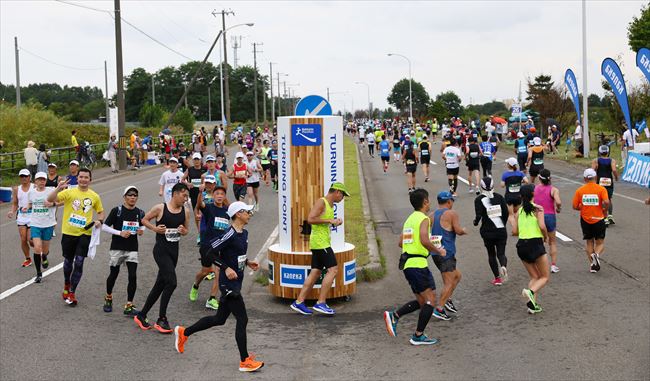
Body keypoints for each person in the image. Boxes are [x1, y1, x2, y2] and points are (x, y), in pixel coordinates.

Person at [173, 201, 264, 372]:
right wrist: (226, 268)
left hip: (237, 281)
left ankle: (184, 333)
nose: (250, 214)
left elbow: (236, 254)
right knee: (242, 319)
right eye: (247, 212)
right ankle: (244, 361)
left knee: (219, 319)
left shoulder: (243, 233)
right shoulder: (228, 234)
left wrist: (248, 261)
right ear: (238, 214)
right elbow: (209, 252)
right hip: (228, 284)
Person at [383, 188, 445, 345]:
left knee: (423, 302)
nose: (429, 202)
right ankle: (418, 335)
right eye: (428, 200)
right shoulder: (423, 219)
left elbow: (400, 242)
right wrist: (438, 250)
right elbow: (424, 239)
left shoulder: (409, 219)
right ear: (425, 202)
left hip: (408, 265)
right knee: (430, 300)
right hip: (418, 265)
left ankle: (395, 316)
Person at [135, 183, 190, 333]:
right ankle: (162, 319)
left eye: (187, 196)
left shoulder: (185, 211)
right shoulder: (160, 208)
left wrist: (183, 230)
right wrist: (155, 229)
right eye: (184, 195)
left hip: (174, 251)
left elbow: (186, 230)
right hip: (161, 250)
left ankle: (141, 315)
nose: (186, 199)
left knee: (160, 284)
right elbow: (144, 220)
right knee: (171, 282)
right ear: (175, 193)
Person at [290, 183, 350, 316]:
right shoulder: (321, 202)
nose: (342, 198)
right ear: (337, 192)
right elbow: (310, 219)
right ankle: (321, 303)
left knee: (316, 272)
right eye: (343, 195)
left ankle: (299, 302)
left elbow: (321, 220)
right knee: (333, 270)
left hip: (319, 242)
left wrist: (333, 221)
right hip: (320, 243)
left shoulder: (330, 204)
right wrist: (330, 221)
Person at [47, 168, 104, 306]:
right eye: (81, 177)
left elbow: (101, 212)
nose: (83, 179)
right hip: (68, 233)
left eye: (86, 177)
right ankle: (67, 283)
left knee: (79, 262)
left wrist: (99, 221)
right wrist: (58, 188)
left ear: (90, 180)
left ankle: (72, 292)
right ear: (77, 179)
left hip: (85, 233)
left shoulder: (94, 196)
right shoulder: (69, 192)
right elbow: (50, 199)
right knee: (68, 262)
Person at [101, 185, 145, 315]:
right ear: (124, 197)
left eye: (135, 195)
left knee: (132, 276)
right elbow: (104, 227)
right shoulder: (117, 210)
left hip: (132, 248)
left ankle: (129, 305)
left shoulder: (140, 212)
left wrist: (141, 231)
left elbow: (143, 226)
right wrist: (119, 233)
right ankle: (108, 297)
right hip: (117, 248)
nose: (132, 197)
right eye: (130, 195)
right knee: (113, 274)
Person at [511, 184, 549, 314]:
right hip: (535, 244)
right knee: (544, 277)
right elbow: (542, 226)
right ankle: (530, 292)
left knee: (534, 276)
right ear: (533, 194)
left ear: (521, 196)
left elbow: (514, 231)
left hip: (522, 246)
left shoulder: (518, 212)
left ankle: (532, 305)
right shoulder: (538, 209)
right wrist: (545, 237)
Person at [190, 184, 229, 310]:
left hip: (220, 247)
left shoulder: (227, 211)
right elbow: (200, 204)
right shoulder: (209, 208)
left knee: (219, 272)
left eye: (222, 194)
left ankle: (212, 299)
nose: (219, 196)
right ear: (213, 196)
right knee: (205, 271)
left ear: (224, 197)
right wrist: (200, 193)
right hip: (207, 246)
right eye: (217, 194)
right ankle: (196, 285)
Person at [430, 191, 467, 320]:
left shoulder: (431, 215)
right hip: (446, 253)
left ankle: (447, 300)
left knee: (457, 276)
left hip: (435, 252)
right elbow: (457, 230)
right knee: (449, 282)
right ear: (449, 201)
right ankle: (440, 308)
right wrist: (463, 231)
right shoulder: (451, 213)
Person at [473, 177, 509, 285]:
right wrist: (502, 224)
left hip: (487, 231)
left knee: (491, 254)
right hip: (501, 230)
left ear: (482, 186)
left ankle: (497, 278)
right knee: (501, 253)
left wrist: (475, 222)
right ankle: (503, 266)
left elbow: (478, 216)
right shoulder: (499, 197)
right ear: (493, 186)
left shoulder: (479, 199)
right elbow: (506, 213)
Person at [573, 168, 609, 273]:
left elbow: (575, 206)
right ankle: (596, 255)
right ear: (595, 177)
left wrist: (583, 207)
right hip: (598, 219)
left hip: (585, 219)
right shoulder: (601, 189)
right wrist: (605, 210)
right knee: (600, 242)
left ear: (585, 178)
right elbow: (606, 202)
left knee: (589, 242)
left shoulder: (580, 190)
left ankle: (593, 265)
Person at [27, 172, 57, 283]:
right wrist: (26, 207)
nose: (41, 182)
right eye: (39, 180)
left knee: (44, 250)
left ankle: (44, 256)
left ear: (45, 181)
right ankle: (39, 273)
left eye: (43, 180)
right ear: (35, 181)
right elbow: (30, 204)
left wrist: (52, 204)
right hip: (35, 224)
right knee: (37, 248)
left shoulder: (51, 191)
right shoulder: (31, 193)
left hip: (48, 224)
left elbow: (61, 202)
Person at [534, 169, 562, 273]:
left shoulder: (535, 188)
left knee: (539, 241)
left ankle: (538, 264)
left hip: (538, 216)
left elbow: (531, 202)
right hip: (550, 216)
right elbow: (558, 202)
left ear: (539, 178)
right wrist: (558, 208)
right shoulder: (553, 189)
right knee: (552, 242)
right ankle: (553, 265)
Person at [7, 169, 34, 268]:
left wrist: (30, 206)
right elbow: (15, 203)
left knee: (30, 240)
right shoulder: (16, 189)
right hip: (21, 217)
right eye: (22, 176)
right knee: (23, 239)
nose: (24, 178)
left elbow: (38, 200)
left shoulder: (34, 187)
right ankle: (28, 258)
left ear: (29, 177)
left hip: (32, 216)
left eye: (25, 176)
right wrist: (12, 211)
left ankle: (39, 250)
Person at [182, 153, 206, 245]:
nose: (196, 161)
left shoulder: (205, 169)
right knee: (197, 215)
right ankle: (200, 233)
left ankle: (205, 232)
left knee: (204, 214)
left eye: (198, 159)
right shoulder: (190, 169)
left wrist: (204, 185)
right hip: (194, 195)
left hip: (204, 195)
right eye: (195, 159)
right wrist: (188, 184)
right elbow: (182, 179)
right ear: (193, 160)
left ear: (200, 160)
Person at [592, 145, 618, 225]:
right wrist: (616, 177)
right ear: (608, 152)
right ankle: (610, 215)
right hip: (609, 181)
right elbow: (614, 169)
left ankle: (604, 217)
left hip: (600, 181)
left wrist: (593, 180)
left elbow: (593, 170)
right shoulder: (612, 160)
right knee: (609, 198)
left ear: (599, 152)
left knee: (602, 199)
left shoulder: (596, 160)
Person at [501, 157, 528, 227]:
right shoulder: (520, 173)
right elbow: (527, 181)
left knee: (510, 215)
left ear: (508, 165)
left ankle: (514, 228)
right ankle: (518, 227)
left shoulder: (505, 174)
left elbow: (502, 185)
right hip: (518, 196)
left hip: (509, 196)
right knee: (517, 213)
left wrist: (507, 182)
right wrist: (520, 182)